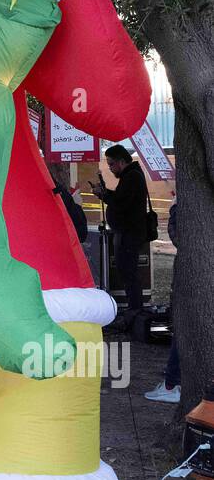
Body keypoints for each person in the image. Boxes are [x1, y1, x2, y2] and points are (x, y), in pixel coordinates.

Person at [92, 144, 149, 319]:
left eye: (111, 164)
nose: (110, 168)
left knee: (129, 272)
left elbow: (121, 203)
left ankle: (135, 310)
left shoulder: (132, 177)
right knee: (127, 272)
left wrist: (104, 194)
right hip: (125, 232)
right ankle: (134, 309)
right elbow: (120, 198)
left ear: (121, 162)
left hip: (128, 233)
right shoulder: (129, 176)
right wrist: (105, 193)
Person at [147, 198, 181, 403]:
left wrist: (176, 209)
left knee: (183, 329)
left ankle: (171, 384)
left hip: (192, 280)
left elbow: (178, 237)